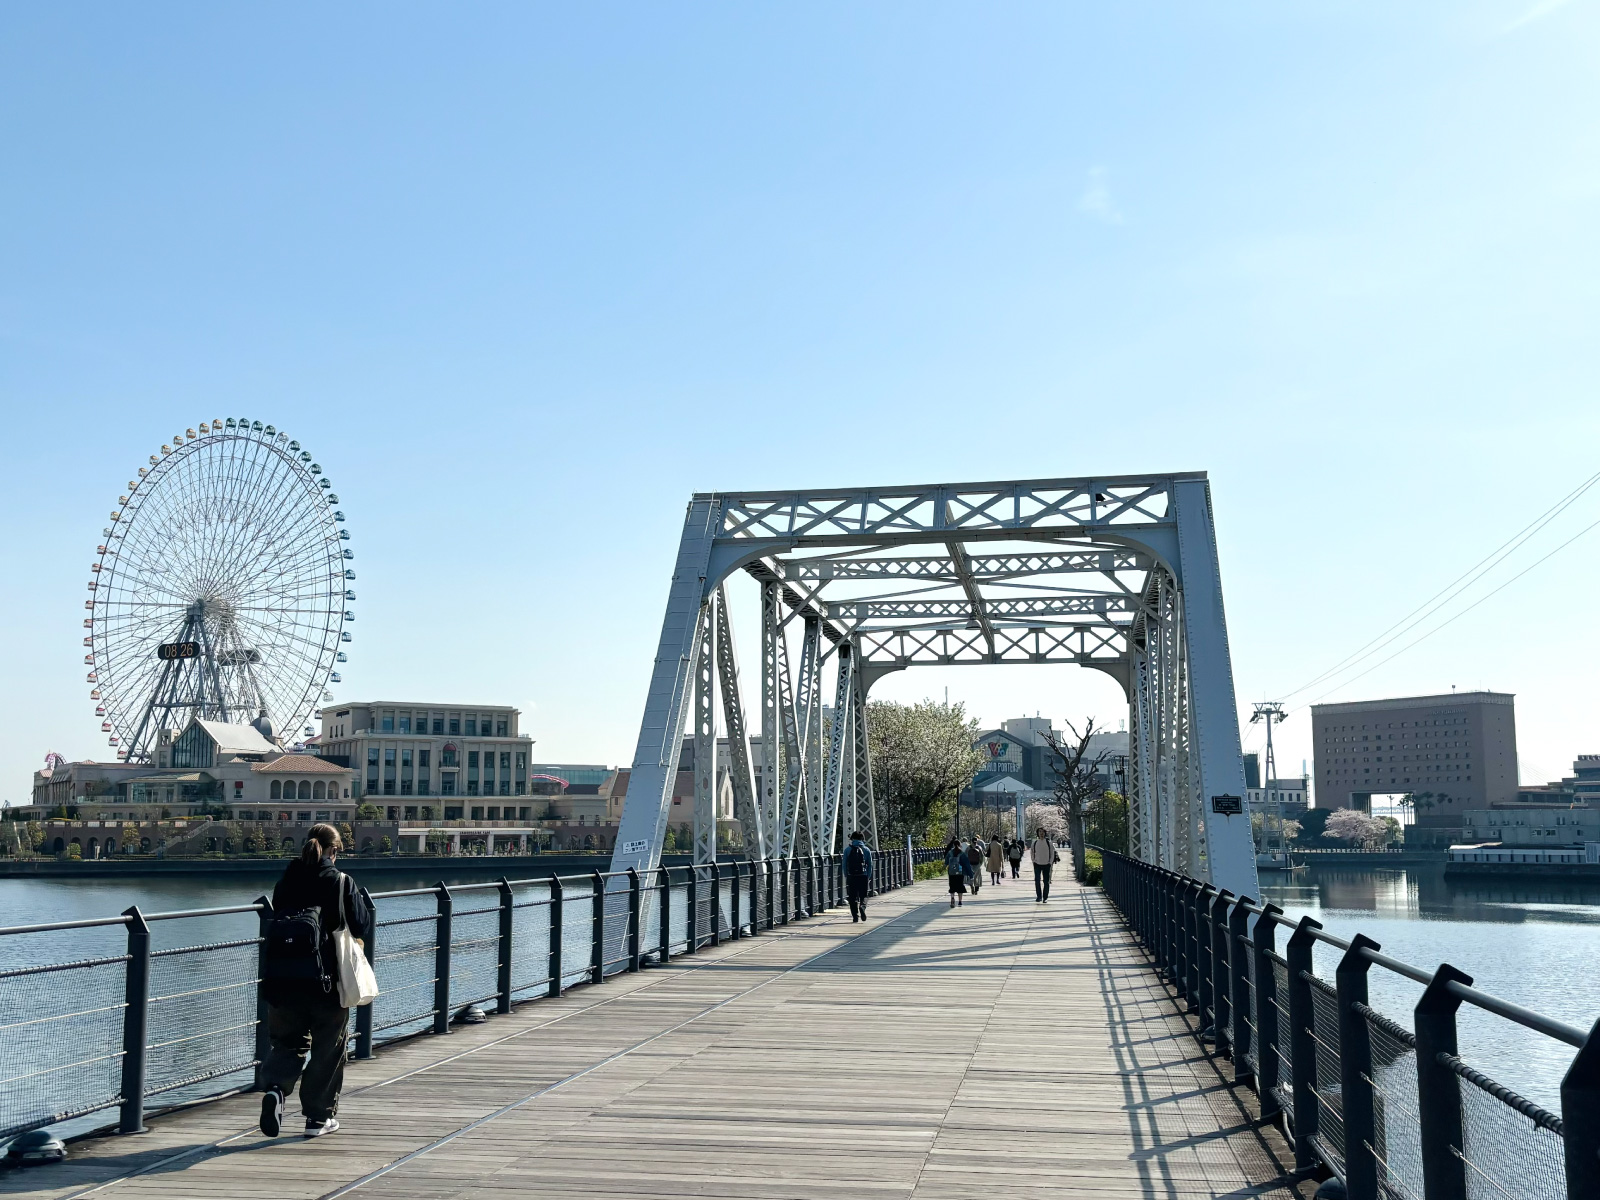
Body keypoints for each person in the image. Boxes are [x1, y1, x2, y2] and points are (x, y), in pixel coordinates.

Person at [259, 823, 372, 1139]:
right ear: (334, 850)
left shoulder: (287, 880)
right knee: (328, 1048)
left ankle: (276, 1090)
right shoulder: (340, 881)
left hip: (282, 979)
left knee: (287, 1042)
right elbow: (361, 924)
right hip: (326, 981)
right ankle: (317, 1118)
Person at [842, 830, 874, 922]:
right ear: (862, 839)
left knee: (852, 897)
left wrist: (846, 875)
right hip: (863, 876)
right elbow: (870, 865)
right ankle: (862, 907)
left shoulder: (847, 850)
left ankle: (855, 917)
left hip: (852, 876)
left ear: (852, 839)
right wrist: (868, 876)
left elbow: (844, 864)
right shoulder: (866, 850)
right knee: (863, 895)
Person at [1030, 827, 1058, 903]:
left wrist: (1050, 862)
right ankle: (1039, 896)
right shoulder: (1035, 843)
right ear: (1038, 833)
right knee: (1037, 881)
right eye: (1040, 832)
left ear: (1045, 833)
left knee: (1046, 882)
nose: (1041, 833)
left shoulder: (1049, 843)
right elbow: (1032, 852)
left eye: (1042, 832)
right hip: (1037, 864)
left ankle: (1045, 897)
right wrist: (1033, 861)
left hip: (1046, 864)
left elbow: (1052, 853)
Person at [944, 836, 970, 908]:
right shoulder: (961, 853)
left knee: (952, 886)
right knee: (960, 886)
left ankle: (952, 897)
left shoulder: (950, 852)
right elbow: (966, 862)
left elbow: (946, 862)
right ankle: (960, 901)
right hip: (960, 872)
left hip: (951, 872)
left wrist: (945, 866)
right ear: (959, 845)